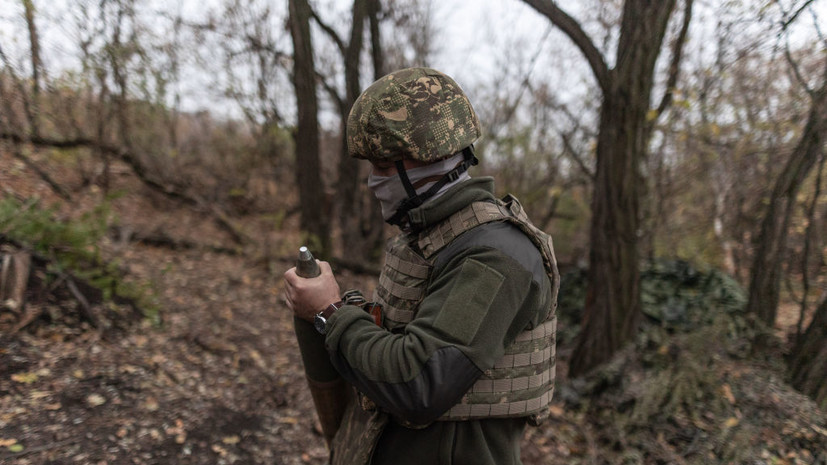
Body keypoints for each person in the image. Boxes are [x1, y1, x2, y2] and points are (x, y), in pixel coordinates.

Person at [284, 67, 559, 465]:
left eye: (382, 167)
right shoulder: (431, 236)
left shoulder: (497, 254)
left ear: (429, 160)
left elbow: (419, 384)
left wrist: (330, 312)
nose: (373, 182)